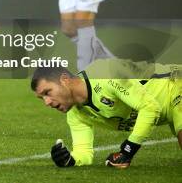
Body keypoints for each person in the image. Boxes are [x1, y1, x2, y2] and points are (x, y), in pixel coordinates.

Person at [31, 60, 181, 169]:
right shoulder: (75, 114)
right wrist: (70, 159)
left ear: (64, 80)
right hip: (168, 110)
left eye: (47, 92)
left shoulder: (105, 75)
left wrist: (127, 151)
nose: (47, 102)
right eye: (42, 98)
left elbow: (150, 107)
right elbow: (84, 153)